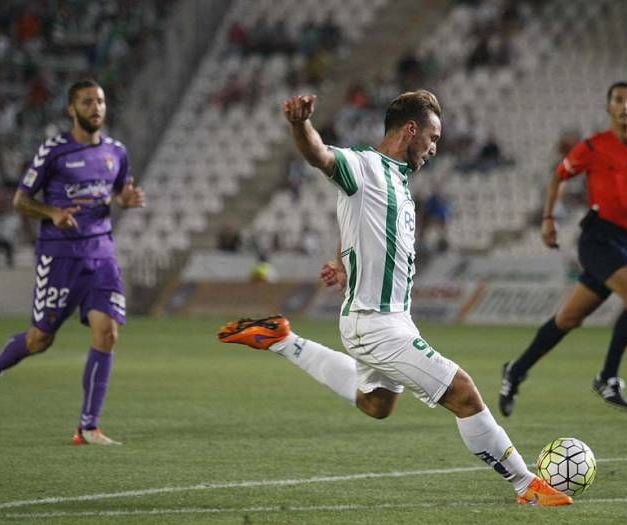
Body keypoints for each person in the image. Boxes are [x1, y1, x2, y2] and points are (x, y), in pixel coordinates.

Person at [217, 91, 572, 506]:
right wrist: (300, 124)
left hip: (393, 320)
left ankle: (280, 338)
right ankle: (525, 484)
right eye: (433, 137)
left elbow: (356, 219)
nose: (435, 148)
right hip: (374, 322)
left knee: (377, 404)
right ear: (410, 130)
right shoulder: (364, 165)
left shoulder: (399, 183)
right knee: (463, 391)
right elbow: (319, 156)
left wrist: (341, 259)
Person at [0, 79, 146, 446]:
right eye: (87, 102)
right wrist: (52, 212)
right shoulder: (55, 152)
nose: (95, 107)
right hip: (60, 255)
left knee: (108, 333)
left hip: (101, 253)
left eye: (100, 101)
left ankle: (88, 427)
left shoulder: (116, 151)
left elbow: (118, 192)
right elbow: (20, 200)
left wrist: (125, 201)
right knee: (40, 339)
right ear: (71, 109)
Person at [499, 81, 627, 417]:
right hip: (597, 239)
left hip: (626, 242)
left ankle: (515, 371)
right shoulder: (594, 147)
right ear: (608, 107)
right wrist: (548, 219)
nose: (625, 106)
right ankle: (608, 376)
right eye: (618, 100)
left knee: (567, 318)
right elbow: (558, 177)